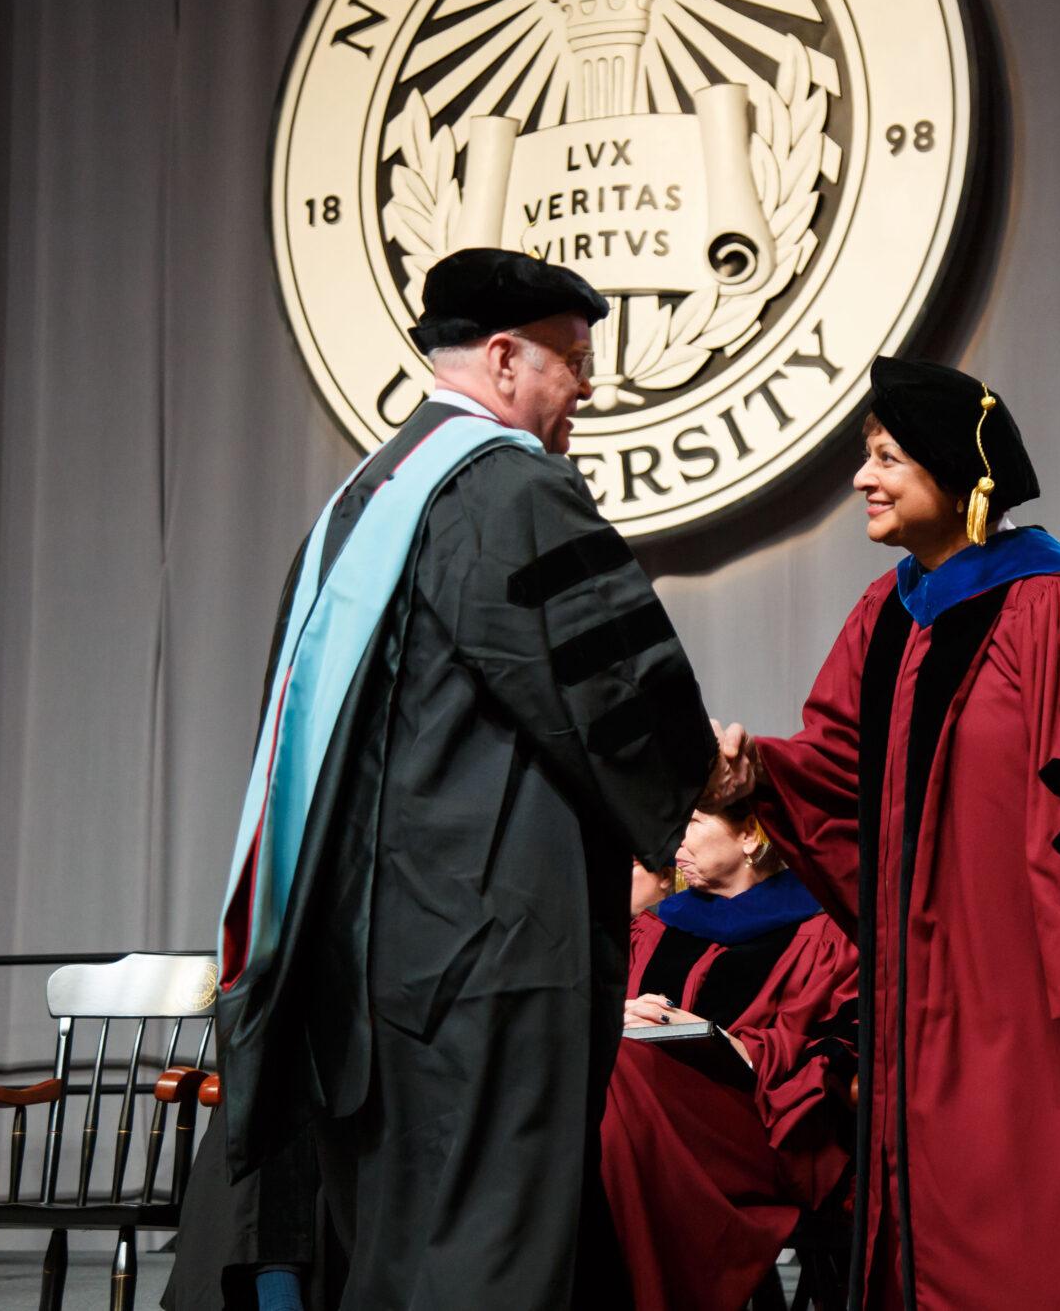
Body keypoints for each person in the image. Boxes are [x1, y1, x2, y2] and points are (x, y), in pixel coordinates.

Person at [707, 357, 1060, 1309]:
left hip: (1056, 1030)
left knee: (1053, 1246)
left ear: (959, 478)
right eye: (866, 455)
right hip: (925, 1015)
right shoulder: (884, 618)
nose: (862, 477)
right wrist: (757, 774)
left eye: (887, 456)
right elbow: (841, 775)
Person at [210, 248, 717, 1308]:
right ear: (501, 358)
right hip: (485, 955)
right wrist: (699, 784)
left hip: (370, 959)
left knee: (396, 1239)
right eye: (573, 362)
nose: (586, 388)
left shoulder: (361, 500)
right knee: (483, 1244)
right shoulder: (508, 487)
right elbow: (610, 694)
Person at [601, 808, 857, 1309]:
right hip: (644, 1116)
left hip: (757, 1131)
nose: (675, 837)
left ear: (748, 835)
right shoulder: (655, 927)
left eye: (693, 821)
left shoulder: (823, 931)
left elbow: (836, 1055)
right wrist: (620, 1014)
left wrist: (724, 1040)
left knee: (615, 1080)